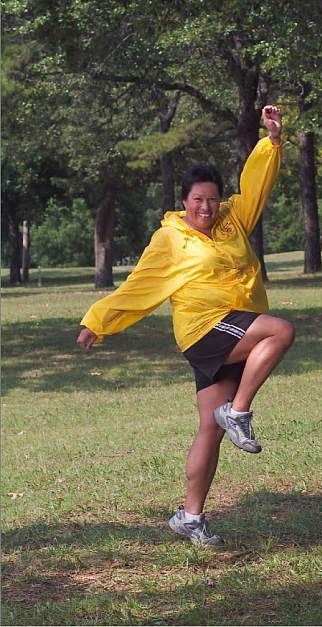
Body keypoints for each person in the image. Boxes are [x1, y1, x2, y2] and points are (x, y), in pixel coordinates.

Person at [77, 105, 295, 546]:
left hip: (235, 329)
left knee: (208, 431)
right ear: (184, 201)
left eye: (212, 198)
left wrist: (271, 143)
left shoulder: (233, 218)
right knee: (280, 331)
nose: (206, 207)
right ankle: (238, 411)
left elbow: (257, 185)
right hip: (206, 330)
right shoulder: (170, 239)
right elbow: (141, 285)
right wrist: (98, 322)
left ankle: (190, 517)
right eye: (198, 199)